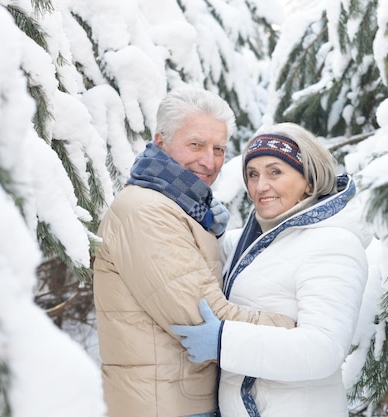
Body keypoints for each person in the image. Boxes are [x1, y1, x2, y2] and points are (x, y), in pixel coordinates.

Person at [92, 87, 295, 417]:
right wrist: (301, 330)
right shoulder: (148, 213)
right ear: (161, 142)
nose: (209, 161)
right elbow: (204, 318)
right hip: (164, 405)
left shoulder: (186, 209)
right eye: (196, 145)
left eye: (218, 149)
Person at [171, 122, 370, 417]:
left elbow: (323, 349)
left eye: (275, 172)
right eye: (252, 174)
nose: (260, 186)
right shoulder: (246, 242)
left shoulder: (333, 243)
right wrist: (208, 232)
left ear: (310, 182)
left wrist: (224, 341)